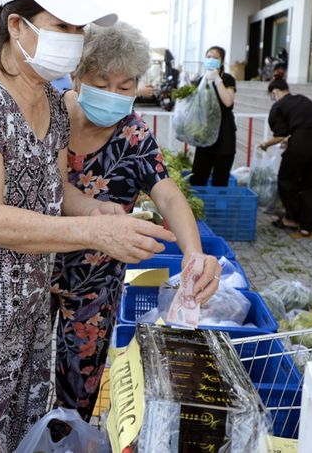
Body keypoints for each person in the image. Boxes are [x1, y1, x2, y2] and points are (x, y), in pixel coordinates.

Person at [0, 0, 177, 453]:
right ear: (18, 26)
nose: (75, 39)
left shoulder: (53, 104)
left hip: (32, 306)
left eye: (79, 29)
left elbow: (56, 193)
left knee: (22, 434)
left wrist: (96, 210)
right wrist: (93, 235)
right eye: (63, 26)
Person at [52, 21, 222, 421]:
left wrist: (194, 255)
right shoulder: (52, 114)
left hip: (94, 283)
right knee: (23, 375)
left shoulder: (135, 136)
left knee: (78, 387)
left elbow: (167, 194)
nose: (114, 94)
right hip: (33, 265)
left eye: (126, 86)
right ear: (77, 78)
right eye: (102, 81)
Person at [258, 70, 312, 237]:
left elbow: (280, 135)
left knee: (286, 179)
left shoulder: (279, 105)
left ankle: (293, 218)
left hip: (301, 145)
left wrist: (265, 144)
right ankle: (308, 226)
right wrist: (292, 139)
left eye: (271, 95)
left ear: (274, 92)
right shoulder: (303, 99)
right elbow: (307, 125)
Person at [190, 47, 237, 187]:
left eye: (215, 57)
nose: (211, 59)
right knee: (197, 178)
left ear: (221, 62)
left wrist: (216, 78)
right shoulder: (201, 80)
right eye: (208, 56)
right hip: (205, 136)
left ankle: (219, 208)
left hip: (224, 136)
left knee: (220, 181)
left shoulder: (227, 79)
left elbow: (228, 102)